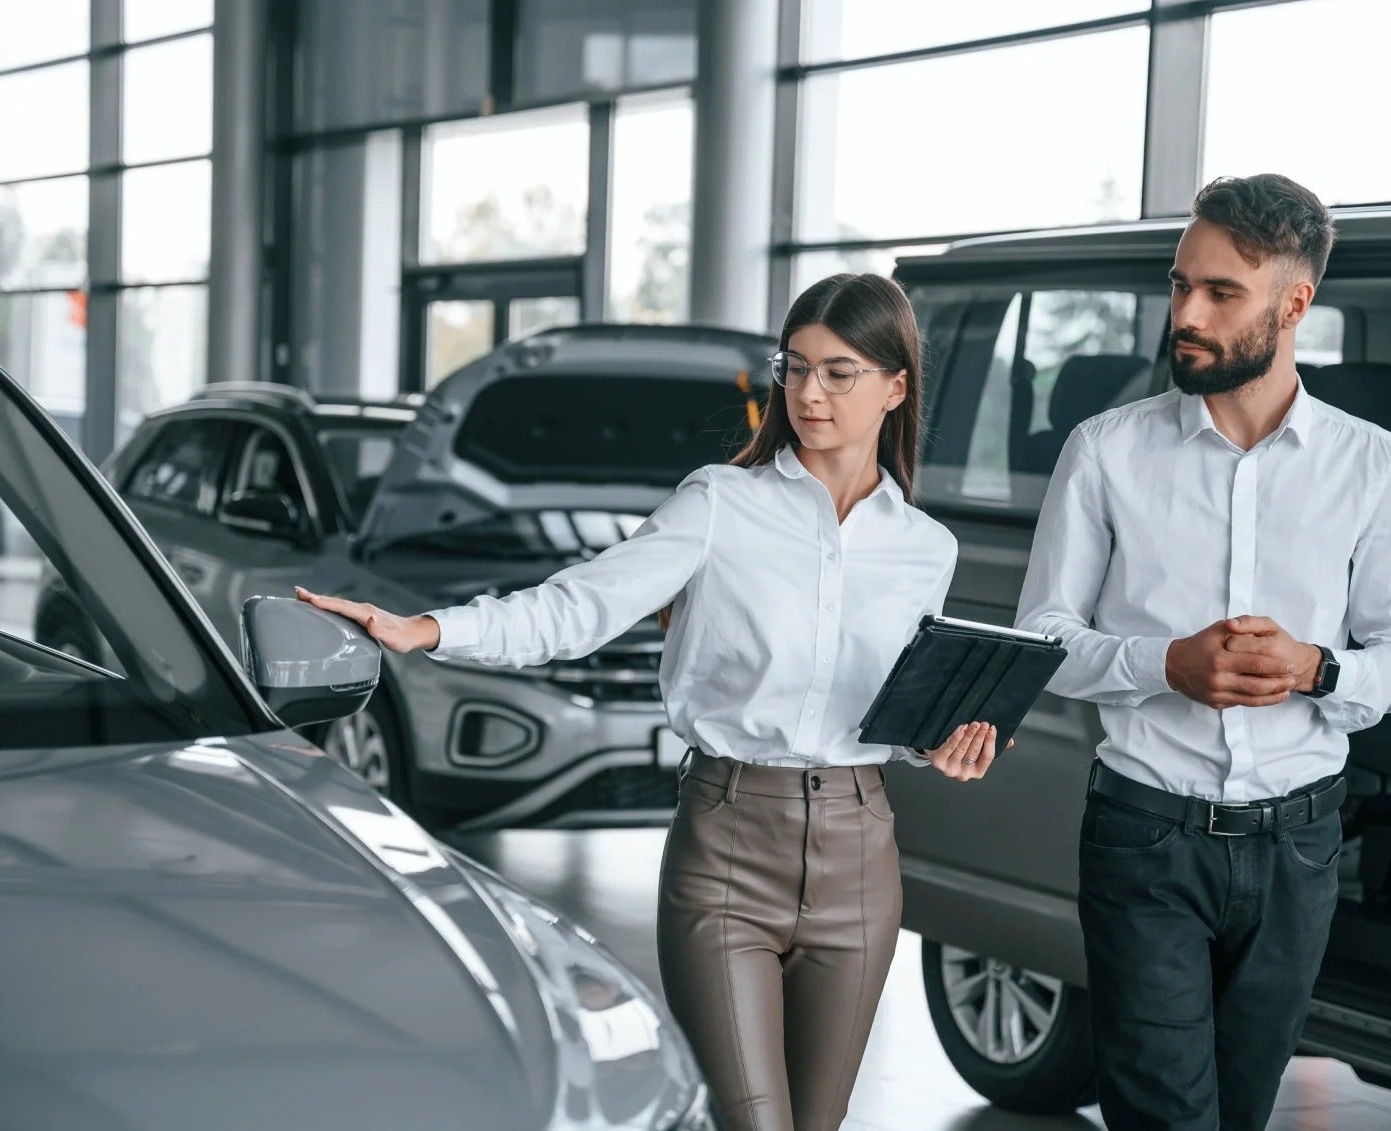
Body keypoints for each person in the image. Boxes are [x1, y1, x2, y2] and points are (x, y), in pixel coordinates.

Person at [298, 273, 1003, 1131]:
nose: (809, 393)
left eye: (839, 372)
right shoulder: (720, 503)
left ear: (895, 386)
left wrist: (931, 742)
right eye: (797, 367)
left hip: (863, 854)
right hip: (729, 846)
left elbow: (884, 706)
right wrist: (430, 629)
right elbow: (577, 606)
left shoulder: (925, 547)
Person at [1015, 174, 1391, 1131]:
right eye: (1179, 286)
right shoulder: (1104, 451)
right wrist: (1164, 664)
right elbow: (1043, 637)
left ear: (1295, 304)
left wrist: (1318, 669)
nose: (1186, 316)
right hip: (1144, 836)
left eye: (1220, 293)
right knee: (1167, 1115)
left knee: (1238, 1112)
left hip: (1300, 848)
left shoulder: (1376, 469)